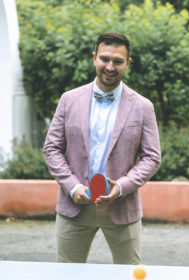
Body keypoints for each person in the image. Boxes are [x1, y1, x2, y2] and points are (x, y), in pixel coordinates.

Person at [43, 32, 161, 265]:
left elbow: (152, 157)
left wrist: (122, 187)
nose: (110, 66)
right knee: (67, 278)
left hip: (122, 206)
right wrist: (72, 186)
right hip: (74, 207)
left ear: (128, 63)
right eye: (105, 59)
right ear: (94, 58)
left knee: (128, 279)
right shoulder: (69, 99)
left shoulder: (143, 106)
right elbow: (52, 149)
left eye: (117, 61)